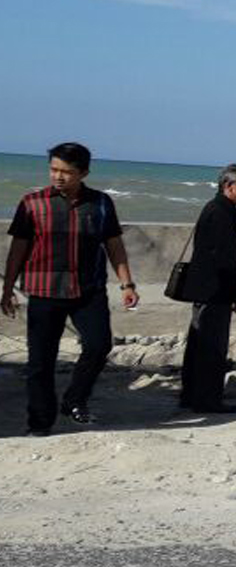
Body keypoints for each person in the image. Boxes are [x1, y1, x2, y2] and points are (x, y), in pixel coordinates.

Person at [2, 143, 138, 435]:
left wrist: (127, 283)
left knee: (99, 346)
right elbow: (18, 249)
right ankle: (39, 423)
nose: (58, 176)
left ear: (84, 173)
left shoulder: (101, 203)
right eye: (53, 169)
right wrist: (7, 288)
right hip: (43, 290)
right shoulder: (32, 203)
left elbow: (113, 244)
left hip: (88, 290)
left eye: (66, 171)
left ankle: (75, 399)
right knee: (40, 362)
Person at [177, 163, 236, 414]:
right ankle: (207, 399)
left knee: (200, 344)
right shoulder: (221, 212)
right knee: (211, 346)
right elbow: (227, 261)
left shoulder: (219, 209)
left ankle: (192, 395)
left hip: (208, 289)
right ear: (229, 186)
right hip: (214, 291)